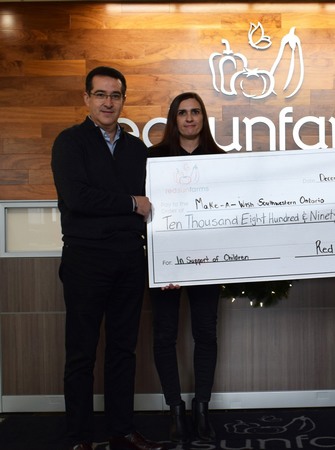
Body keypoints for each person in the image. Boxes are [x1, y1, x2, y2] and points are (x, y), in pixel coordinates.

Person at [51, 66, 166, 450]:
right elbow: (78, 199)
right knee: (81, 354)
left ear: (123, 100)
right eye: (100, 94)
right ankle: (80, 437)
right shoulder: (70, 142)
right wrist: (130, 204)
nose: (108, 102)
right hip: (86, 260)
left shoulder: (137, 149)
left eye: (115, 95)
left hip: (129, 260)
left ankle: (122, 430)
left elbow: (154, 206)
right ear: (87, 98)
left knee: (122, 351)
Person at [148, 92, 225, 444]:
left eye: (195, 112)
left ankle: (202, 408)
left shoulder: (220, 160)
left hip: (208, 264)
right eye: (182, 113)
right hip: (165, 266)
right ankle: (175, 410)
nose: (189, 118)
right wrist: (163, 263)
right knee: (164, 336)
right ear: (173, 118)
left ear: (203, 118)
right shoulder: (153, 159)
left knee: (206, 335)